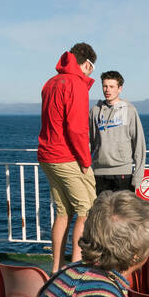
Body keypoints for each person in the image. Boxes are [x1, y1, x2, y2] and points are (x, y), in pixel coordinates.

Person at [39, 42, 98, 272]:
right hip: (66, 156)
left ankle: (56, 268)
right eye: (91, 68)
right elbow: (76, 129)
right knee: (86, 210)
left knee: (63, 211)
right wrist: (85, 161)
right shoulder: (76, 84)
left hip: (47, 155)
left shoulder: (50, 83)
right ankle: (75, 269)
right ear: (86, 64)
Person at [90, 71, 146, 195]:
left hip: (123, 173)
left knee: (123, 214)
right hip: (99, 173)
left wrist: (138, 176)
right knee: (101, 213)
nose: (107, 90)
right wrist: (85, 169)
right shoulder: (95, 111)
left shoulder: (130, 110)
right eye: (104, 86)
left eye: (111, 86)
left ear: (119, 88)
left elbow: (139, 144)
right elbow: (89, 142)